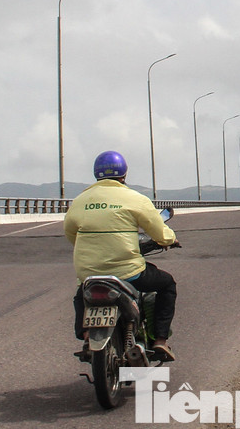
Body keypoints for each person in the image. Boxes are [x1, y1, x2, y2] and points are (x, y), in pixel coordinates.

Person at [64, 150, 180, 361]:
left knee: (81, 292)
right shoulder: (135, 199)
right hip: (128, 272)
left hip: (90, 272)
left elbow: (71, 234)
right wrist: (169, 240)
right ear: (124, 174)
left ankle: (88, 335)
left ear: (96, 174)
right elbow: (158, 229)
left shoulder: (80, 201)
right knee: (167, 284)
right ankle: (160, 340)